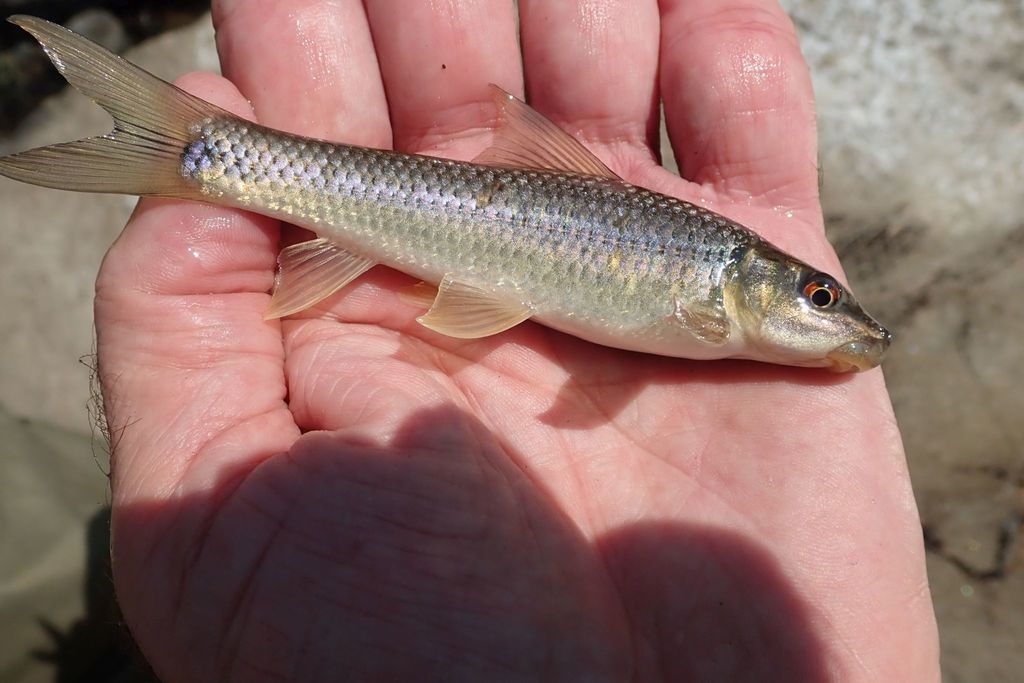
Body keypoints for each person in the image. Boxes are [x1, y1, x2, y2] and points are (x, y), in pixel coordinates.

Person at [94, 1, 940, 680]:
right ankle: (203, 152)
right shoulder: (714, 281)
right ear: (758, 280)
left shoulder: (732, 309)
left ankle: (208, 152)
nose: (837, 320)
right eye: (820, 296)